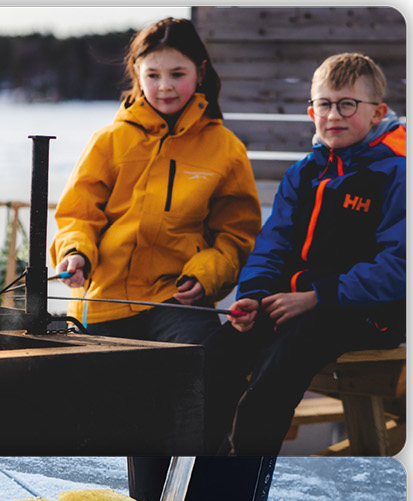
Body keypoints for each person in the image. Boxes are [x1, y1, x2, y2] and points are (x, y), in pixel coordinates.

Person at [206, 53, 406, 454]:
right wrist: (255, 294)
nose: (333, 115)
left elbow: (400, 266)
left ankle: (246, 481)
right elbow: (273, 242)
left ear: (377, 112)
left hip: (367, 312)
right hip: (298, 302)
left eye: (347, 104)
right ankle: (199, 469)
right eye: (324, 104)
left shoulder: (398, 174)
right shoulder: (304, 173)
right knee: (215, 357)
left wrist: (318, 295)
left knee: (276, 371)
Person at [50, 18, 261, 344]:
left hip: (176, 299)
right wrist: (76, 252)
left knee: (198, 367)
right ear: (137, 73)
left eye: (177, 74)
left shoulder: (226, 149)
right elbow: (78, 215)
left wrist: (207, 275)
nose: (165, 86)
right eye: (153, 75)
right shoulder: (109, 141)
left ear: (200, 72)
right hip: (104, 302)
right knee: (95, 385)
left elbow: (236, 235)